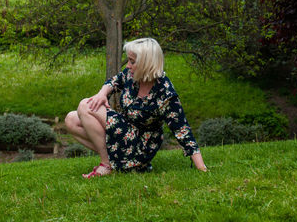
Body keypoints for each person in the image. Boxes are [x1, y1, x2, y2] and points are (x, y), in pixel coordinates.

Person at [65, 38, 207, 178]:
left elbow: (183, 131)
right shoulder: (131, 76)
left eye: (132, 61)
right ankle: (119, 163)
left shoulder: (165, 93)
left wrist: (202, 168)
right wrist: (102, 94)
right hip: (124, 132)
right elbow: (114, 81)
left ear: (146, 63)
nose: (127, 65)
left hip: (140, 146)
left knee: (85, 105)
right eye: (128, 60)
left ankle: (107, 164)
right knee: (71, 119)